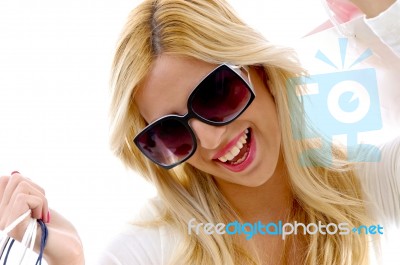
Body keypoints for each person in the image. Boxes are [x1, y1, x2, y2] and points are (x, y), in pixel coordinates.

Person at [0, 0, 399, 264]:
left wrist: (383, 14)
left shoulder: (362, 183)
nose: (209, 141)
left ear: (259, 69)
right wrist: (70, 260)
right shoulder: (155, 244)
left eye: (215, 94)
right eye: (170, 132)